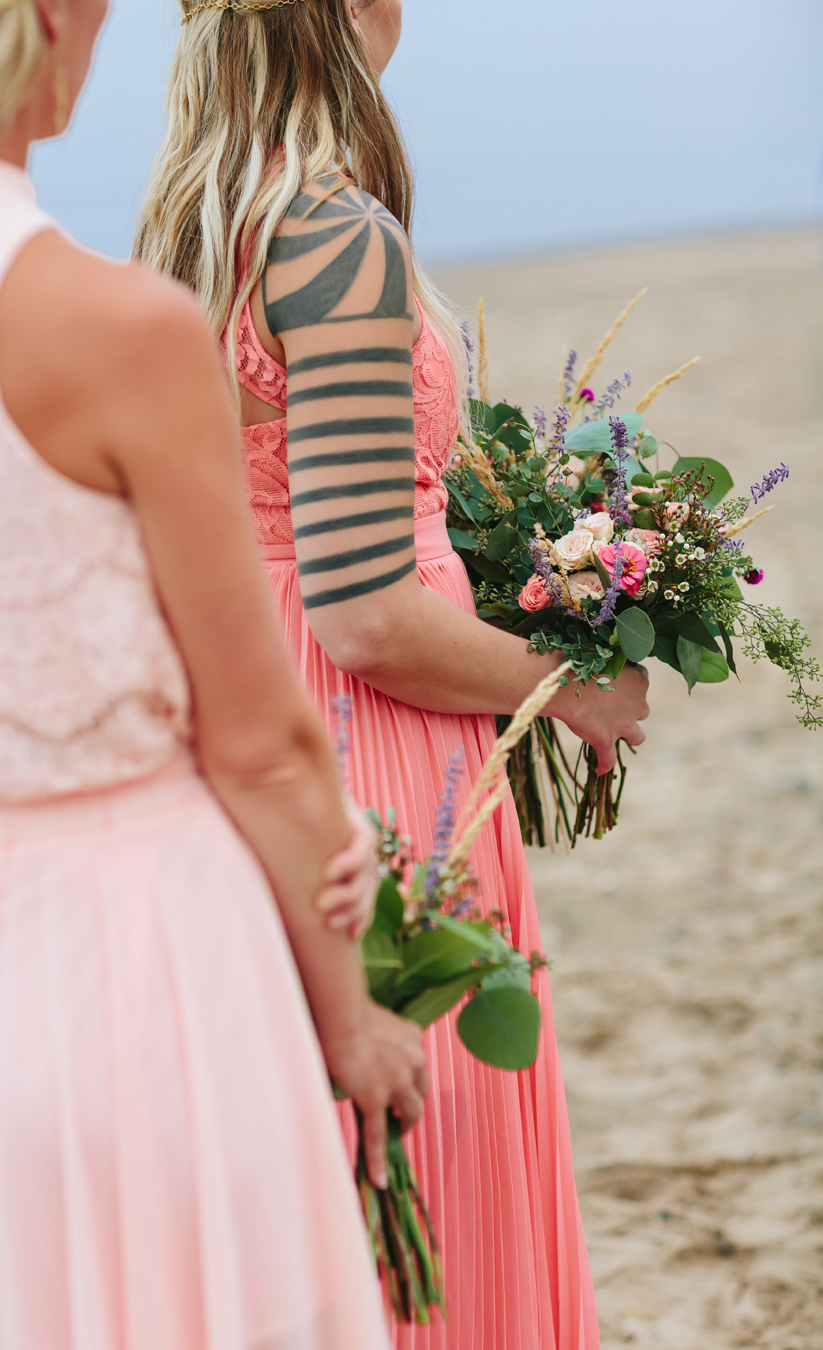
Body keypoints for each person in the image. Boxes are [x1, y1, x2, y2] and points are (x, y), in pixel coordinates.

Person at [135, 2, 650, 1347]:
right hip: (368, 746)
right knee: (425, 1157)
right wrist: (566, 681)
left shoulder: (191, 238)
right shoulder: (334, 238)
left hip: (243, 713)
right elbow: (363, 606)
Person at [0, 1, 430, 1347]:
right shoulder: (109, 323)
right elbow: (261, 744)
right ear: (35, 25)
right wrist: (353, 1019)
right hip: (133, 950)